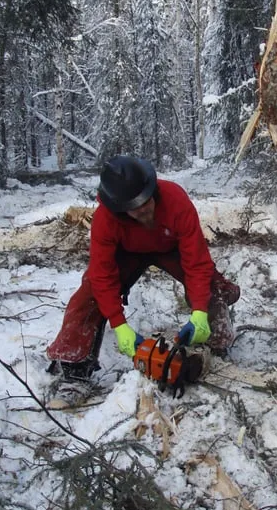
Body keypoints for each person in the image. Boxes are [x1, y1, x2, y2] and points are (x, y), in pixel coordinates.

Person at [47, 155, 240, 383]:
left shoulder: (175, 199)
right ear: (120, 209)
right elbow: (102, 276)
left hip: (170, 247)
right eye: (135, 210)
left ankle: (217, 342)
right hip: (127, 253)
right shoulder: (105, 220)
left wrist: (199, 311)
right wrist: (119, 324)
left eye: (147, 202)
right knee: (89, 293)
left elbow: (197, 261)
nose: (144, 211)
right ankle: (74, 365)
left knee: (210, 285)